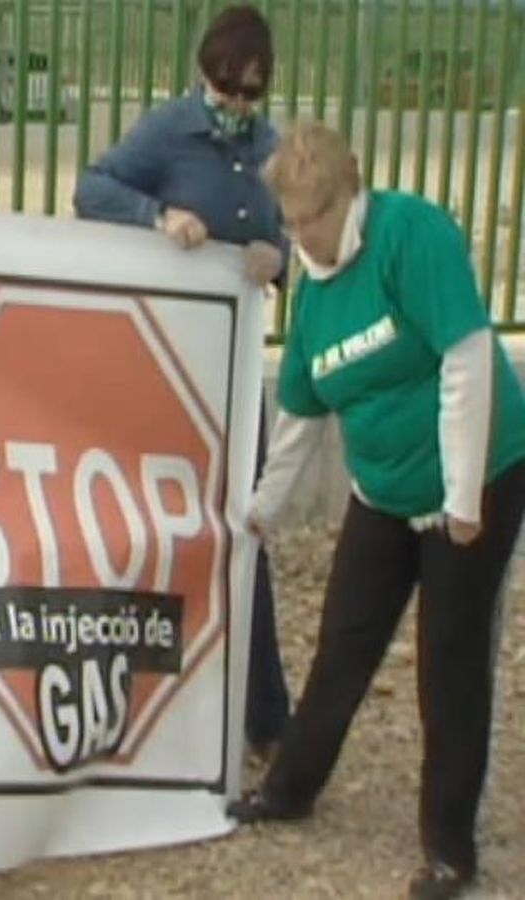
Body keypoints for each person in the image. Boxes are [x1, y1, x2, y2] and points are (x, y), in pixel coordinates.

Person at [230, 121, 525, 900]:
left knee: (449, 661)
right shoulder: (314, 297)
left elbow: (467, 360)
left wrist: (463, 496)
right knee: (343, 643)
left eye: (315, 218)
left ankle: (449, 849)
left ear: (349, 196)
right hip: (383, 491)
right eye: (291, 222)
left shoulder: (411, 236)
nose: (303, 237)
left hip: (480, 473)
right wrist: (262, 509)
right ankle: (290, 789)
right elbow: (301, 417)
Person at [72, 2, 291, 758]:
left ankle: (264, 713)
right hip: (163, 369)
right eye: (226, 88)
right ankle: (130, 701)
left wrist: (278, 258)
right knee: (147, 527)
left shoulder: (273, 148)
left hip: (233, 375)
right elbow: (92, 189)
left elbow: (297, 232)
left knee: (243, 531)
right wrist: (156, 215)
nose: (237, 104)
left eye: (251, 92)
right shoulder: (168, 130)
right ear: (204, 77)